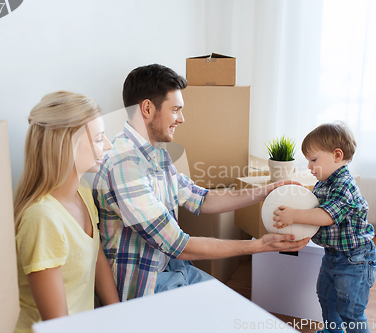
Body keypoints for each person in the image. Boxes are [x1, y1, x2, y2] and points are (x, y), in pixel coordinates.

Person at [93, 64, 309, 302]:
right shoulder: (125, 166)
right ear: (147, 108)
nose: (182, 119)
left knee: (234, 310)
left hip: (175, 269)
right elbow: (179, 245)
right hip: (147, 286)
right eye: (175, 109)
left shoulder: (158, 154)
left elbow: (201, 198)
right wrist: (257, 246)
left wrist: (266, 192)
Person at [13, 91, 120, 333]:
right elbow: (57, 324)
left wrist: (119, 316)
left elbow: (98, 259)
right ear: (67, 143)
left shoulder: (82, 193)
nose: (108, 145)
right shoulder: (42, 219)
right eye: (99, 138)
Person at [273, 122, 376, 333]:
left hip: (354, 260)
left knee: (350, 310)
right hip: (332, 256)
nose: (309, 167)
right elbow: (315, 205)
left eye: (313, 160)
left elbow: (326, 216)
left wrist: (294, 215)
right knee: (327, 299)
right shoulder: (325, 182)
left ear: (337, 155)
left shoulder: (345, 185)